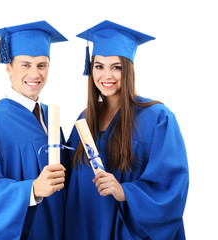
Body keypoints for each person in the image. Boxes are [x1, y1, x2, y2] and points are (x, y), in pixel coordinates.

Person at [65, 20, 189, 240]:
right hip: (86, 229)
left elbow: (172, 187)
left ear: (129, 70)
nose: (107, 76)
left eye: (116, 67)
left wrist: (125, 192)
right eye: (99, 66)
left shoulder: (157, 118)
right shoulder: (84, 121)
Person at [0, 21, 68, 240]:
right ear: (9, 67)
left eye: (42, 65)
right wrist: (32, 190)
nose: (35, 74)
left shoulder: (51, 117)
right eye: (25, 65)